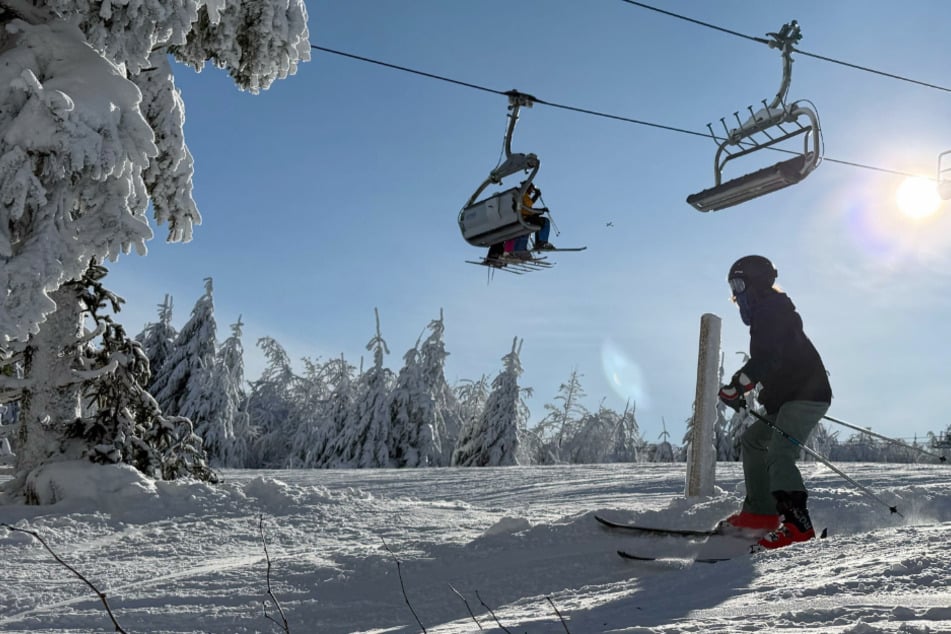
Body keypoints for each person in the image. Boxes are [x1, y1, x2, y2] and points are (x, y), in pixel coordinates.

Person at [716, 255, 832, 550]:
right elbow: (772, 361)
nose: (736, 294)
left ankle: (798, 525)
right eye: (733, 287)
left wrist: (739, 386)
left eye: (739, 284)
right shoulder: (766, 314)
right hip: (789, 396)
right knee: (754, 440)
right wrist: (745, 388)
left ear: (756, 283)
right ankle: (760, 514)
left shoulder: (772, 311)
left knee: (780, 452)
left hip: (806, 394)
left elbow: (769, 358)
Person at [511, 183, 554, 258]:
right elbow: (528, 207)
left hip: (521, 217)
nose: (531, 192)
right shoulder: (523, 194)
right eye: (531, 189)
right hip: (524, 218)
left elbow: (528, 207)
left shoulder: (519, 194)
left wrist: (539, 211)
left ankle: (539, 243)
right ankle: (541, 243)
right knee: (545, 221)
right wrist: (540, 209)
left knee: (537, 222)